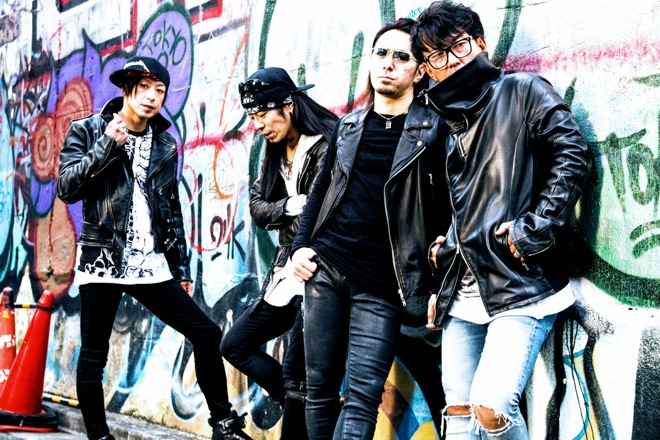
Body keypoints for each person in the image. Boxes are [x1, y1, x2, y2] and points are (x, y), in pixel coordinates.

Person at [410, 2, 591, 438]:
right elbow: (464, 203)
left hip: (519, 282)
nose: (452, 60)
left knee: (492, 409)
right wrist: (445, 260)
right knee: (458, 415)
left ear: (481, 43)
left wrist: (535, 229)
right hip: (463, 289)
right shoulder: (444, 122)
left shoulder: (522, 90)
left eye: (459, 46)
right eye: (437, 55)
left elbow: (572, 154)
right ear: (427, 68)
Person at [57, 56, 250, 440]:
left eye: (159, 90)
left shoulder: (164, 143)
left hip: (150, 264)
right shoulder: (88, 130)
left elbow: (169, 207)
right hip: (104, 260)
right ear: (126, 89)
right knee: (93, 357)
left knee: (206, 333)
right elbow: (67, 187)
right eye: (144, 88)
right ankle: (100, 437)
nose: (151, 97)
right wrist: (106, 146)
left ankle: (224, 425)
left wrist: (179, 268)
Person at [290, 18, 449, 440]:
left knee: (363, 397)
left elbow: (445, 211)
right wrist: (300, 247)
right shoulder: (348, 126)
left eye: (401, 57)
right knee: (319, 390)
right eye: (381, 53)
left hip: (383, 284)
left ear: (420, 70)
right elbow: (321, 190)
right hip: (326, 269)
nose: (388, 64)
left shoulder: (433, 132)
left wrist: (437, 282)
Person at [220, 67, 337, 439]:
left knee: (300, 376)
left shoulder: (327, 143)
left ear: (288, 105)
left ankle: (302, 407)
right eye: (252, 116)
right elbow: (258, 208)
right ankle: (293, 400)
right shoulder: (272, 150)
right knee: (235, 344)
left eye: (261, 114)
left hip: (318, 268)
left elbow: (324, 210)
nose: (257, 125)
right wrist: (291, 205)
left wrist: (299, 209)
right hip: (286, 269)